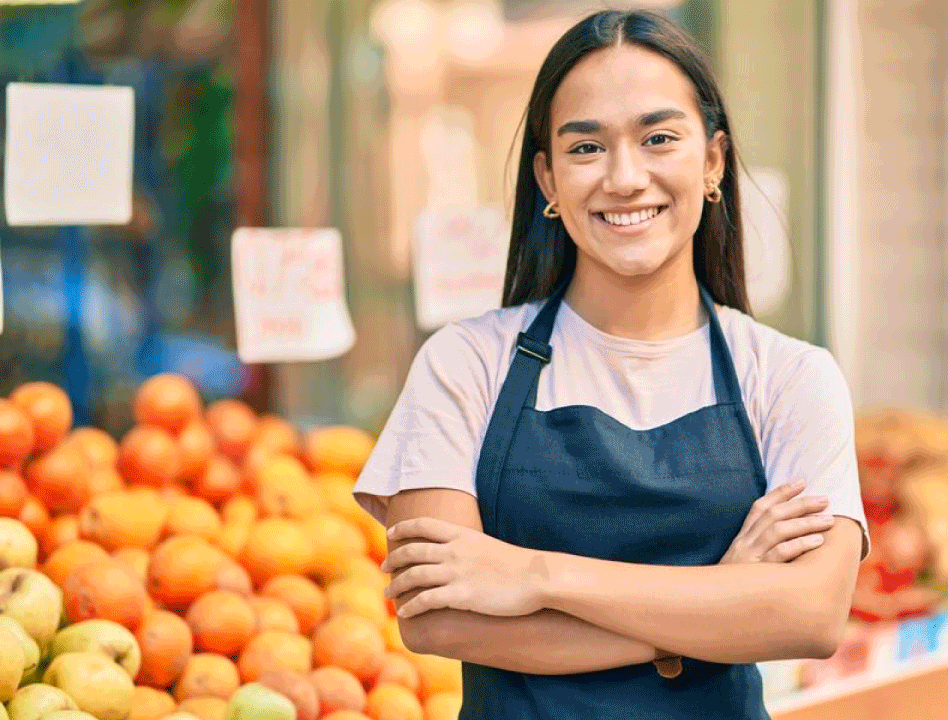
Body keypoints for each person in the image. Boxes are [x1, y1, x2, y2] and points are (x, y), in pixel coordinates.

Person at [354, 9, 869, 719]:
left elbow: (809, 616)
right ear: (548, 179)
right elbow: (438, 618)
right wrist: (715, 600)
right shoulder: (464, 364)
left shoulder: (788, 377)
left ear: (713, 160)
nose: (626, 178)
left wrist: (533, 576)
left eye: (659, 138)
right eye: (587, 147)